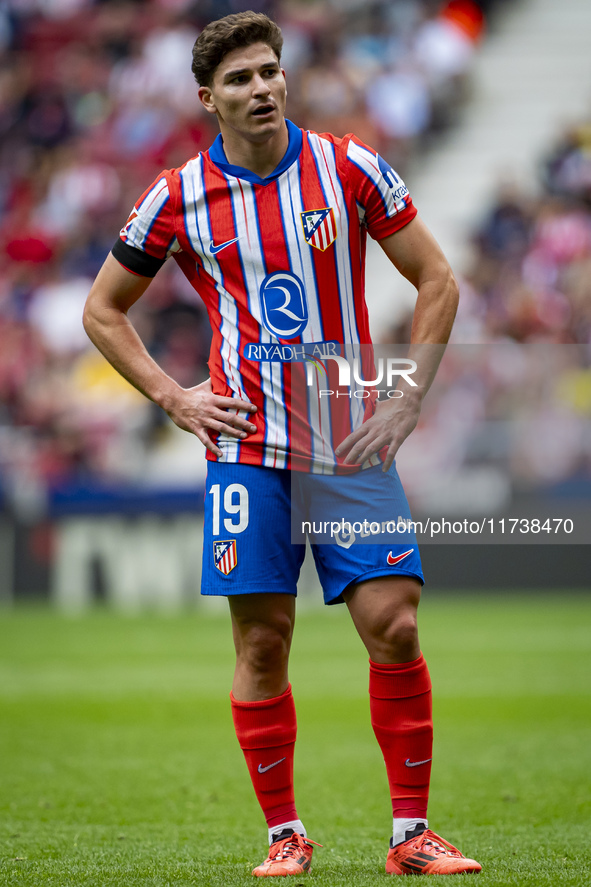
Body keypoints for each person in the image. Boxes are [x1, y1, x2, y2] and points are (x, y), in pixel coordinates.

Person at [83, 11, 482, 878]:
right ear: (207, 99)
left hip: (346, 441)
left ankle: (410, 833)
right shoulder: (176, 194)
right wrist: (171, 396)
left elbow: (437, 278)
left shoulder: (347, 167)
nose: (260, 87)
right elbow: (102, 309)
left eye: (269, 71)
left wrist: (405, 401)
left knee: (397, 625)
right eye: (239, 79)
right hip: (245, 448)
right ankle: (284, 834)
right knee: (263, 643)